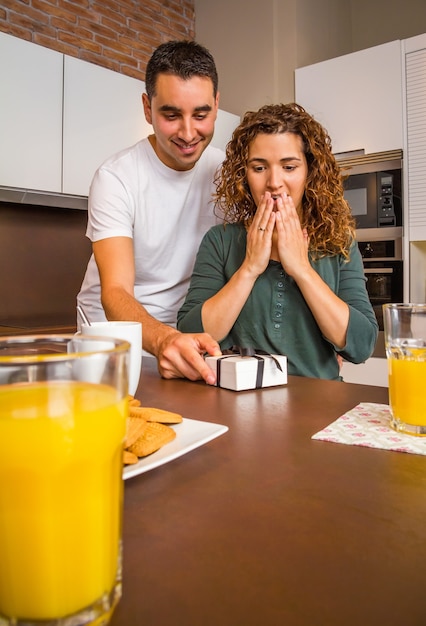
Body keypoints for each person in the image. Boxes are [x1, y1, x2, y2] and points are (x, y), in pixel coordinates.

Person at [177, 103, 379, 380]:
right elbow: (191, 334)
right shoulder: (220, 241)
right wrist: (249, 268)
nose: (274, 182)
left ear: (310, 171)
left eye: (289, 166)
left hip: (319, 405)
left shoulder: (338, 242)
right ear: (243, 175)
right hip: (236, 401)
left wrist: (302, 269)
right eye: (259, 167)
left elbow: (362, 345)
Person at [77, 40, 225, 384]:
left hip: (188, 339)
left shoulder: (227, 172)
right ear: (147, 108)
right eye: (171, 115)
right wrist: (164, 340)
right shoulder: (116, 178)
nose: (188, 133)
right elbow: (116, 291)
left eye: (201, 115)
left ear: (217, 104)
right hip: (112, 341)